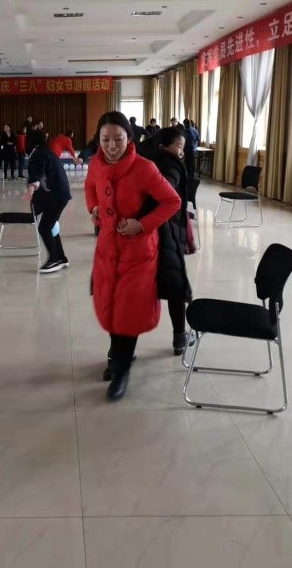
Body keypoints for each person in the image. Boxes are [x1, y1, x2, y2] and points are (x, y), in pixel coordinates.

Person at [85, 111, 181, 401]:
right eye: (105, 140)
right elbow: (91, 187)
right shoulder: (96, 163)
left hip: (138, 252)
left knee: (129, 309)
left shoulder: (144, 168)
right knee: (110, 304)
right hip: (107, 248)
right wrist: (94, 209)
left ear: (129, 138)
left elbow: (172, 201)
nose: (111, 146)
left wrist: (142, 224)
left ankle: (122, 368)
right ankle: (117, 353)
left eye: (118, 139)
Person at [138, 127, 196, 356]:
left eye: (183, 148)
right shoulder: (169, 165)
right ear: (164, 146)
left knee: (137, 288)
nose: (181, 152)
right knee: (175, 284)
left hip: (147, 230)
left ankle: (122, 348)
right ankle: (179, 337)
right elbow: (166, 190)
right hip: (165, 231)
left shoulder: (147, 158)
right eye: (179, 147)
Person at [26, 130, 71, 274]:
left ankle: (54, 259)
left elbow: (37, 173)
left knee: (44, 227)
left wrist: (31, 187)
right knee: (51, 225)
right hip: (59, 194)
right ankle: (61, 258)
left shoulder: (38, 153)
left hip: (56, 195)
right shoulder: (46, 151)